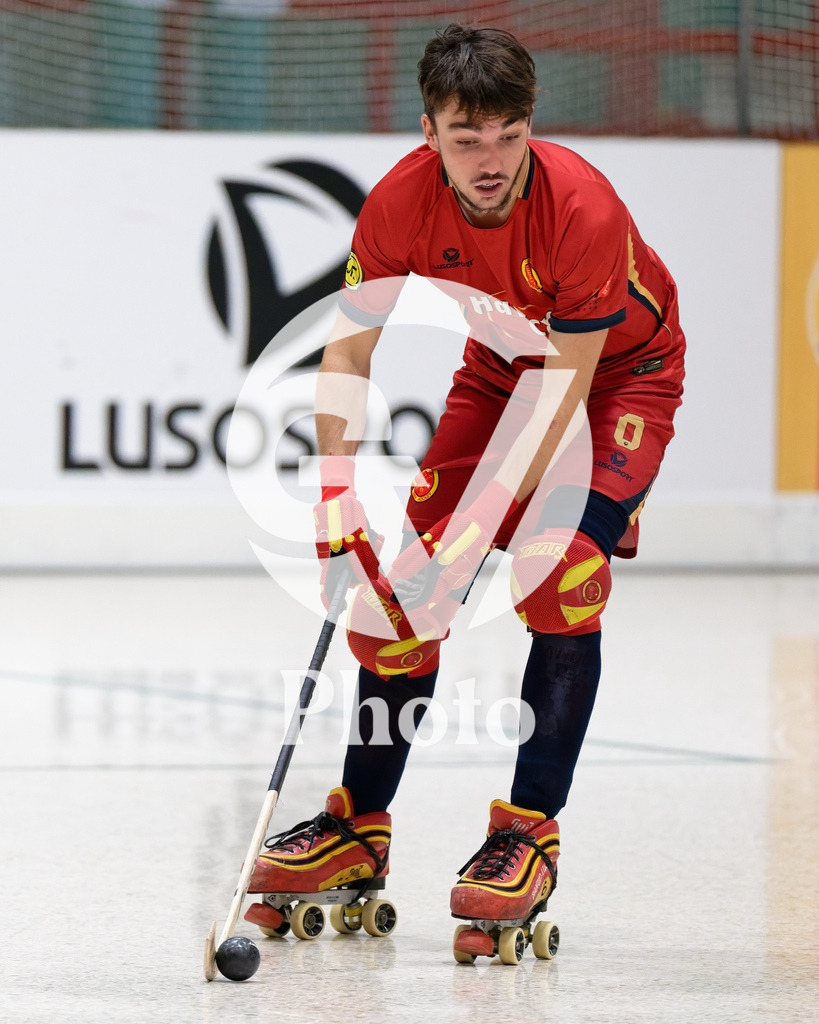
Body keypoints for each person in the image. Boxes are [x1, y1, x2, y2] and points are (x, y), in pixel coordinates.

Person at [246, 23, 685, 949]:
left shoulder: (582, 211)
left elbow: (561, 399)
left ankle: (526, 835)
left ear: (531, 125)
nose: (489, 160)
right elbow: (349, 350)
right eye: (465, 137)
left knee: (556, 569)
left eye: (508, 134)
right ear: (428, 131)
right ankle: (356, 827)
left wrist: (474, 527)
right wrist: (336, 509)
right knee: (401, 598)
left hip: (614, 379)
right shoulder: (399, 202)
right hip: (498, 372)